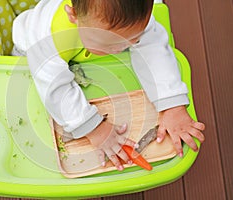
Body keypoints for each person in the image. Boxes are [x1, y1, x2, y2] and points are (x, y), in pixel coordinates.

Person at [12, 0, 205, 171]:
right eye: (110, 45)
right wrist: (93, 128)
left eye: (132, 40)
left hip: (85, 58)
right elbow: (53, 87)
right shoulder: (49, 38)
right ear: (74, 16)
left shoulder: (132, 19)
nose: (121, 49)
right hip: (30, 57)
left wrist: (171, 104)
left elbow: (153, 48)